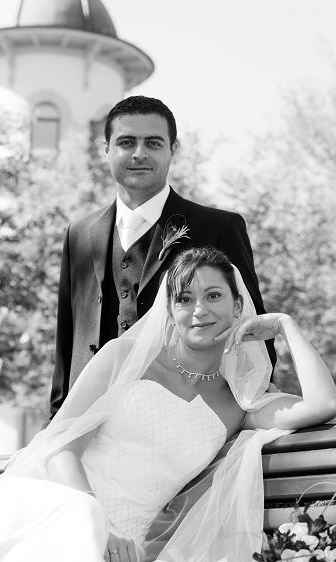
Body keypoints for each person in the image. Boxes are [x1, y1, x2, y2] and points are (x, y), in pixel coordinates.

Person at [0, 247, 336, 562]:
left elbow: (323, 404)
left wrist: (284, 325)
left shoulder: (239, 404)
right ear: (170, 310)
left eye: (213, 295)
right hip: (62, 505)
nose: (199, 310)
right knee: (73, 531)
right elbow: (62, 449)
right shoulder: (123, 358)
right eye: (184, 299)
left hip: (124, 559)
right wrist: (101, 525)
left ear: (238, 306)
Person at [50, 95, 276, 417]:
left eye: (153, 143)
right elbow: (66, 340)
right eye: (126, 142)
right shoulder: (79, 234)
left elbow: (253, 330)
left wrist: (242, 409)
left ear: (173, 149)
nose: (139, 153)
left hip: (179, 421)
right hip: (86, 419)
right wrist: (56, 419)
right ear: (106, 149)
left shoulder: (219, 228)